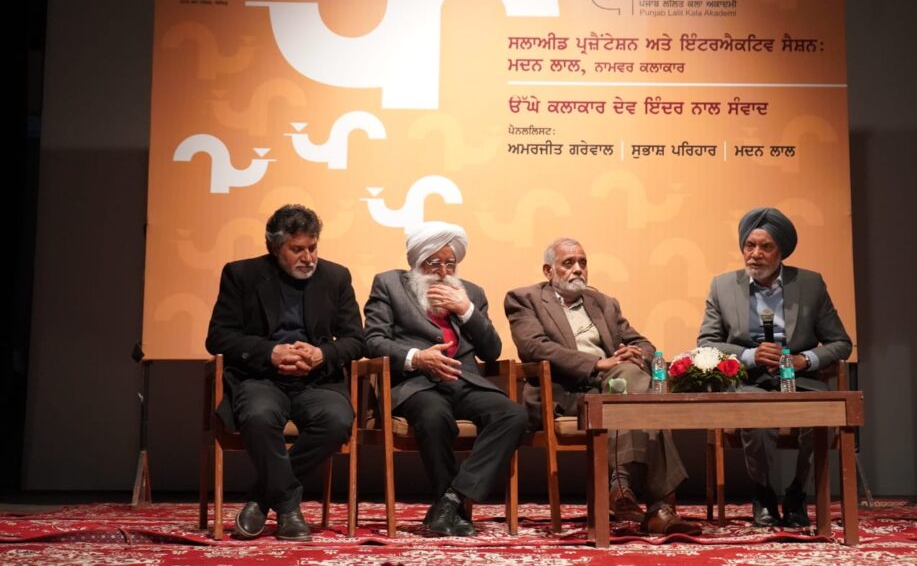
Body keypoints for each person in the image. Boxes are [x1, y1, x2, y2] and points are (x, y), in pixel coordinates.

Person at [504, 237, 701, 535]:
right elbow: (534, 347)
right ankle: (655, 505)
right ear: (548, 270)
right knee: (637, 396)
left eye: (583, 262)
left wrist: (634, 354)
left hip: (612, 387)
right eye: (568, 263)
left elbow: (644, 344)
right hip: (564, 392)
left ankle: (622, 489)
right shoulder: (524, 299)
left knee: (629, 379)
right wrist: (597, 363)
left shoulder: (604, 303)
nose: (578, 269)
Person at [206, 204, 364, 540]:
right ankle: (290, 510)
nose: (308, 257)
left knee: (337, 421)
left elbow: (356, 340)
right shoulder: (241, 274)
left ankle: (262, 498)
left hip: (316, 381)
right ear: (275, 247)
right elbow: (218, 337)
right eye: (297, 249)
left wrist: (322, 354)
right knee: (259, 417)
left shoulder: (336, 277)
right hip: (261, 378)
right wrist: (270, 352)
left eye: (313, 247)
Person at [363, 221, 527, 537]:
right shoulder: (389, 284)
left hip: (464, 381)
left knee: (513, 415)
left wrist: (466, 310)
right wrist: (417, 357)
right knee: (434, 416)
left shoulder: (471, 293)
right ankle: (451, 505)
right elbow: (373, 340)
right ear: (417, 262)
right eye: (433, 263)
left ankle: (451, 500)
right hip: (417, 383)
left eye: (450, 264)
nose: (442, 272)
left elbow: (491, 351)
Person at [696, 207, 852, 528]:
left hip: (799, 379)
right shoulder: (723, 286)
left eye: (765, 247)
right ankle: (764, 493)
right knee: (756, 419)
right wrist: (750, 355)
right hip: (749, 379)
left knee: (819, 415)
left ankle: (797, 493)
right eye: (749, 245)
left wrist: (804, 359)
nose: (755, 254)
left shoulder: (809, 284)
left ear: (781, 251)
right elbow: (707, 343)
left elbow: (840, 343)